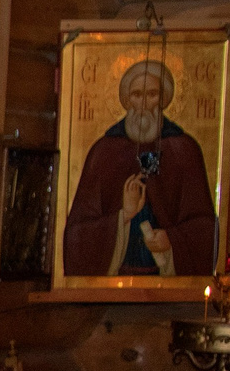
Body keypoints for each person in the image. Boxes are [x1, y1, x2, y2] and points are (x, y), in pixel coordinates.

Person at [61, 60, 217, 278]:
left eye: (152, 94)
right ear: (126, 100)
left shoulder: (183, 150)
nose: (143, 103)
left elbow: (205, 228)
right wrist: (124, 215)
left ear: (163, 100)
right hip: (112, 286)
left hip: (169, 287)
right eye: (136, 95)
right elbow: (77, 234)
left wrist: (171, 239)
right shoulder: (104, 151)